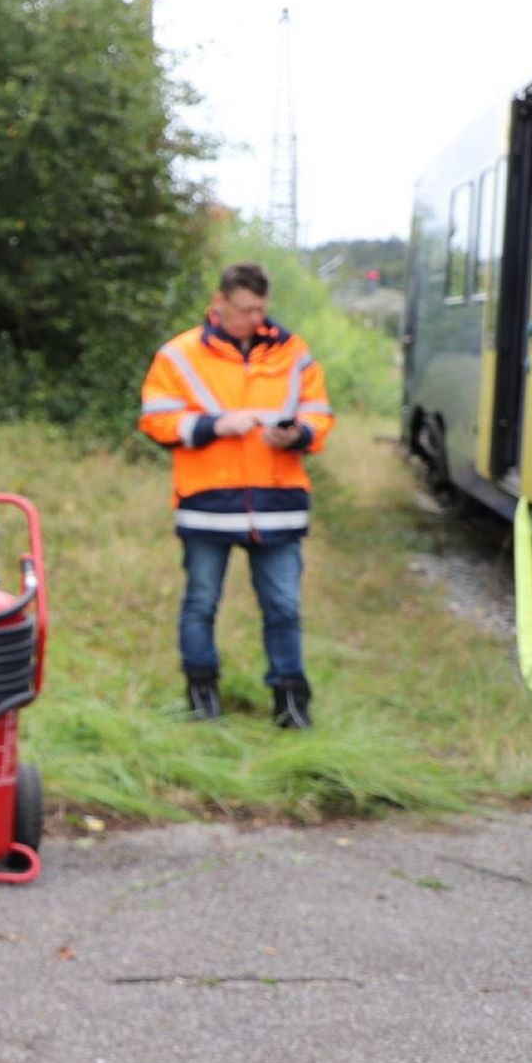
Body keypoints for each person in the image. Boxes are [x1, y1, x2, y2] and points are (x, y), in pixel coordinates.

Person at [139, 261, 336, 727]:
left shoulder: (294, 354)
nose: (254, 319)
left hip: (277, 509)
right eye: (245, 309)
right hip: (207, 508)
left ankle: (291, 705)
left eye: (260, 310)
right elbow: (155, 420)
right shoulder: (179, 355)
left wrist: (299, 435)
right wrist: (214, 426)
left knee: (284, 608)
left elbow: (320, 415)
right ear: (220, 302)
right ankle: (201, 699)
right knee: (201, 604)